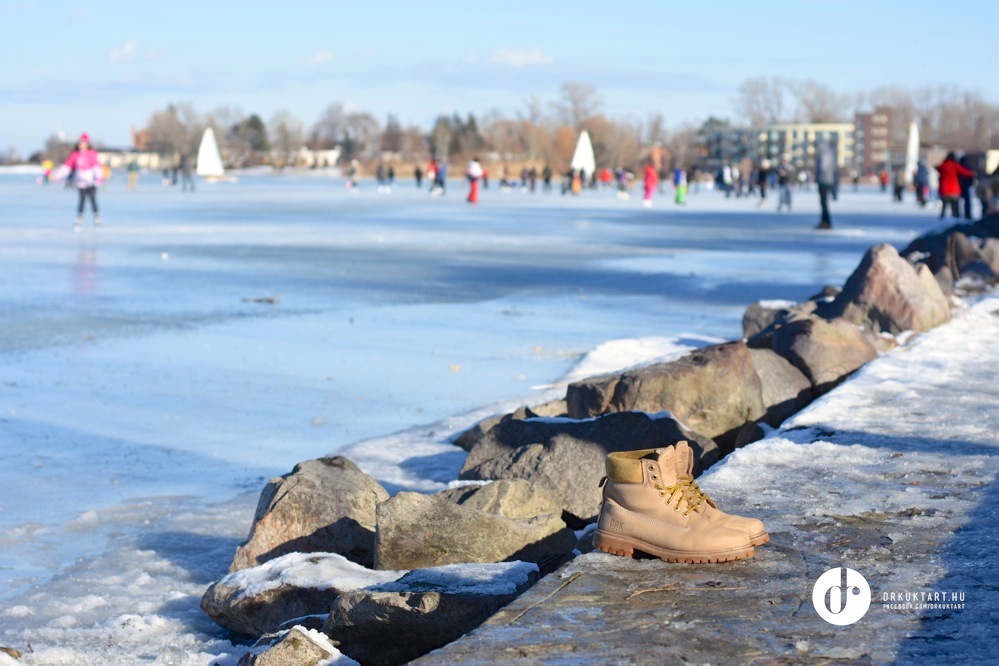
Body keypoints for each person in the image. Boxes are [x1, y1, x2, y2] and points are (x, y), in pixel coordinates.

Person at [52, 132, 104, 230]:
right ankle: (79, 219)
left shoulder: (91, 154)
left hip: (91, 182)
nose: (81, 144)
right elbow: (67, 167)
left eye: (84, 142)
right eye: (80, 142)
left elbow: (97, 167)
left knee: (93, 200)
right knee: (82, 201)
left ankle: (97, 218)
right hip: (80, 183)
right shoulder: (75, 155)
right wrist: (57, 176)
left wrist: (99, 178)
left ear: (87, 143)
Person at [935, 152, 974, 219]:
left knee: (944, 208)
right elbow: (965, 172)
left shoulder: (943, 165)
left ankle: (941, 220)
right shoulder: (955, 165)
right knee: (955, 209)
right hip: (954, 190)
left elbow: (937, 168)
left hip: (944, 190)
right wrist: (972, 173)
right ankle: (955, 221)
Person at [815, 140, 837, 229]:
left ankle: (825, 222)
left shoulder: (824, 154)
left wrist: (818, 176)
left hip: (824, 180)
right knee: (824, 202)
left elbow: (823, 167)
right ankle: (825, 221)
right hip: (829, 180)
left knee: (823, 202)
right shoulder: (830, 153)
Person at [958, 154, 975, 219]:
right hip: (965, 186)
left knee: (958, 202)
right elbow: (971, 175)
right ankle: (967, 214)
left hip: (959, 186)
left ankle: (958, 215)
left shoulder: (959, 167)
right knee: (967, 202)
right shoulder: (967, 168)